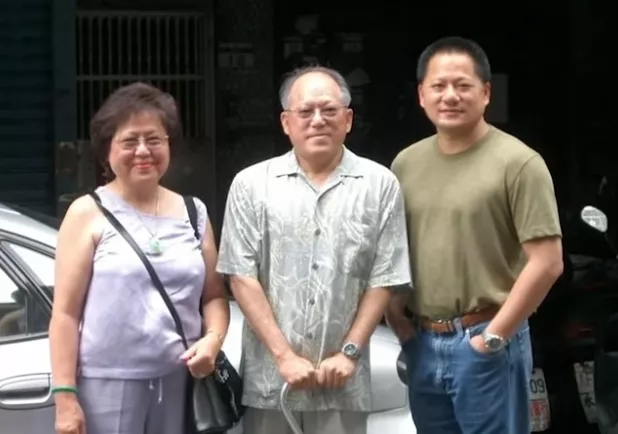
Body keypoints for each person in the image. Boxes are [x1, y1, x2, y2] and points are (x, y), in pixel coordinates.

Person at [216, 65, 411, 434]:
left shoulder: (380, 184)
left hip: (343, 382)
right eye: (305, 111)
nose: (318, 120)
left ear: (348, 119)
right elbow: (240, 276)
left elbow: (385, 277)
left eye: (329, 110)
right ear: (286, 122)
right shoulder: (251, 185)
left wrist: (350, 352)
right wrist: (284, 356)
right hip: (271, 383)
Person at [386, 36, 564, 434]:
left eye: (462, 85)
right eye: (438, 85)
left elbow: (547, 262)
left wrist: (494, 338)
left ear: (486, 93)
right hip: (423, 341)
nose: (450, 96)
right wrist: (396, 316)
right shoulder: (405, 164)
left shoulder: (519, 163)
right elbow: (397, 247)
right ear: (421, 95)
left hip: (487, 340)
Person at [48, 82, 230, 434]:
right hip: (106, 383)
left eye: (154, 139)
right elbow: (65, 314)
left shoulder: (194, 212)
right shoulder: (87, 212)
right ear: (107, 151)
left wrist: (213, 339)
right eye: (130, 141)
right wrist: (65, 396)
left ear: (169, 145)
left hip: (180, 380)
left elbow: (214, 296)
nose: (143, 151)